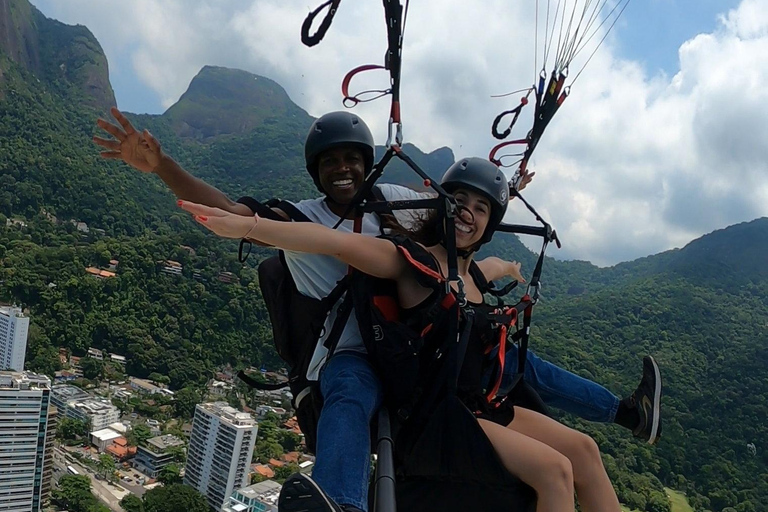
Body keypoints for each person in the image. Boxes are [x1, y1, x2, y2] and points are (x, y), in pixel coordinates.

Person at [94, 108, 661, 512]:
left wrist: (505, 191)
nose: (342, 170)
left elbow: (456, 219)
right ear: (316, 171)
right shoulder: (304, 216)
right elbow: (251, 217)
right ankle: (339, 501)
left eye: (352, 160)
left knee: (505, 353)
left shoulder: (394, 203)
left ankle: (623, 413)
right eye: (330, 162)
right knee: (348, 391)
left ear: (368, 164)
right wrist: (165, 168)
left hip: (425, 336)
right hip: (353, 348)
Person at [178, 157, 624, 511]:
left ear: (492, 223)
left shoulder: (472, 275)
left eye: (482, 207)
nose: (468, 212)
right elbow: (331, 242)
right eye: (460, 200)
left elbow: (485, 268)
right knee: (555, 471)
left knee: (583, 450)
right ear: (441, 205)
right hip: (437, 416)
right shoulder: (412, 260)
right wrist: (250, 227)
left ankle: (624, 414)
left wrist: (510, 264)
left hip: (479, 402)